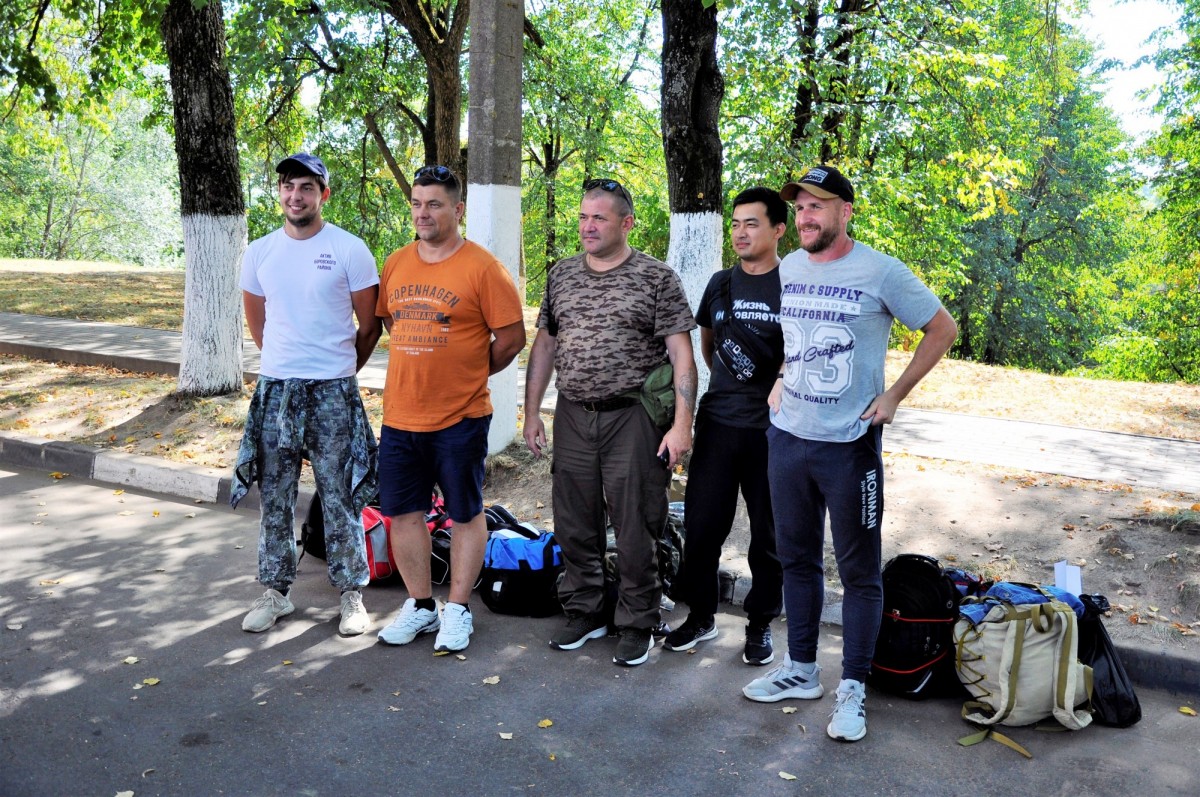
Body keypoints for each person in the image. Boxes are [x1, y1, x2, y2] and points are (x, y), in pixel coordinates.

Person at [741, 166, 957, 742]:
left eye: (819, 206)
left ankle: (853, 688)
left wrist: (893, 395)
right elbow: (796, 336)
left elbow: (942, 328)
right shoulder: (789, 267)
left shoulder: (881, 270)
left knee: (860, 572)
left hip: (849, 445)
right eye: (802, 207)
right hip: (788, 437)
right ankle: (802, 670)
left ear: (845, 212)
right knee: (796, 558)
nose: (807, 216)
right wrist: (782, 376)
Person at [523, 178, 698, 667]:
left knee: (637, 521)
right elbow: (546, 345)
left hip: (634, 418)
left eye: (599, 217)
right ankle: (585, 610)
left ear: (626, 223)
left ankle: (638, 620)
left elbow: (683, 358)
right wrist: (533, 411)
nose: (587, 226)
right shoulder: (561, 275)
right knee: (574, 519)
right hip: (574, 413)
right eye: (582, 216)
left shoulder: (656, 278)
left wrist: (682, 426)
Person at [374, 165, 525, 653]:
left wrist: (469, 374)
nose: (423, 212)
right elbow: (392, 325)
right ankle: (420, 606)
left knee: (465, 512)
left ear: (457, 210)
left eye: (435, 204)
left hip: (460, 417)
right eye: (417, 203)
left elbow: (512, 338)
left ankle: (457, 609)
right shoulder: (396, 263)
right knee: (403, 514)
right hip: (400, 416)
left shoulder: (483, 267)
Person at [232, 152, 382, 636]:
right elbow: (259, 324)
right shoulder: (260, 252)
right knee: (274, 495)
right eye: (287, 187)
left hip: (333, 392)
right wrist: (287, 365)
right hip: (276, 392)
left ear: (323, 194)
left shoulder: (349, 249)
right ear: (279, 193)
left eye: (306, 187)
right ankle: (275, 593)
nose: (295, 196)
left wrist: (339, 368)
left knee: (339, 495)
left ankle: (352, 595)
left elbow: (370, 323)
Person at [664, 187, 787, 666]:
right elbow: (709, 347)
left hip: (774, 431)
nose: (740, 232)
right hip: (718, 424)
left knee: (768, 537)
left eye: (752, 223)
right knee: (702, 528)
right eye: (735, 223)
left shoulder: (794, 283)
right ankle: (701, 617)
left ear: (779, 229)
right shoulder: (719, 283)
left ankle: (759, 625)